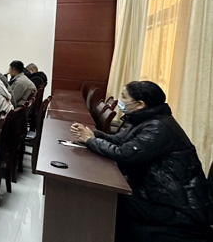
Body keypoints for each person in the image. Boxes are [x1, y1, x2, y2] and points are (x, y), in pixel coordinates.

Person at [71, 81, 213, 241]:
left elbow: (124, 155)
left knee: (105, 201)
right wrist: (93, 134)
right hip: (154, 189)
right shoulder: (146, 119)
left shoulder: (158, 127)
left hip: (175, 203)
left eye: (124, 97)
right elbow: (119, 140)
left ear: (139, 104)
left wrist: (91, 140)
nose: (120, 101)